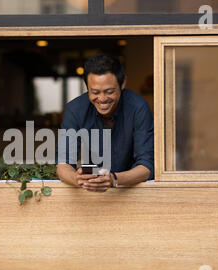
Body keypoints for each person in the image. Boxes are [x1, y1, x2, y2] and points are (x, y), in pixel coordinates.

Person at [56, 53, 154, 192]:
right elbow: (63, 163)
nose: (102, 99)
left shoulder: (139, 108)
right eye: (95, 92)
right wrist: (76, 179)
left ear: (123, 83)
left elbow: (147, 166)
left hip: (132, 192)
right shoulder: (75, 110)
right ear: (87, 87)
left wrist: (113, 179)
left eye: (109, 91)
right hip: (88, 193)